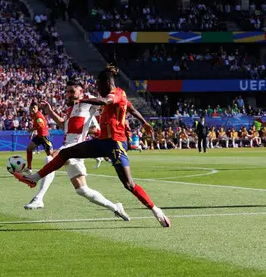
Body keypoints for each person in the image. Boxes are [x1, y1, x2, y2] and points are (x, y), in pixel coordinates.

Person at [14, 65, 170, 228]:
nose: (97, 88)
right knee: (69, 162)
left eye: (99, 85)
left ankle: (156, 210)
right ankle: (34, 180)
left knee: (128, 184)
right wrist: (143, 122)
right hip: (102, 142)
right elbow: (130, 108)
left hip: (115, 144)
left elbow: (104, 101)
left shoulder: (113, 95)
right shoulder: (84, 105)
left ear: (107, 83)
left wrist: (82, 100)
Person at [23, 81, 130, 222]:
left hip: (76, 146)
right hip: (71, 149)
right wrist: (50, 112)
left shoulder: (88, 102)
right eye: (67, 92)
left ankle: (39, 198)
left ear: (81, 92)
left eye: (72, 91)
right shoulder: (70, 109)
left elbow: (104, 103)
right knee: (82, 190)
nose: (69, 94)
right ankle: (115, 207)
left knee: (50, 158)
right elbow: (63, 125)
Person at [26, 102, 53, 172]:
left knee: (50, 155)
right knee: (29, 149)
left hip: (44, 136)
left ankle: (64, 162)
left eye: (34, 108)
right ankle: (29, 168)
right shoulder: (34, 115)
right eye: (31, 108)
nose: (32, 109)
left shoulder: (38, 116)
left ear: (37, 108)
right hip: (39, 136)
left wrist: (31, 130)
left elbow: (40, 125)